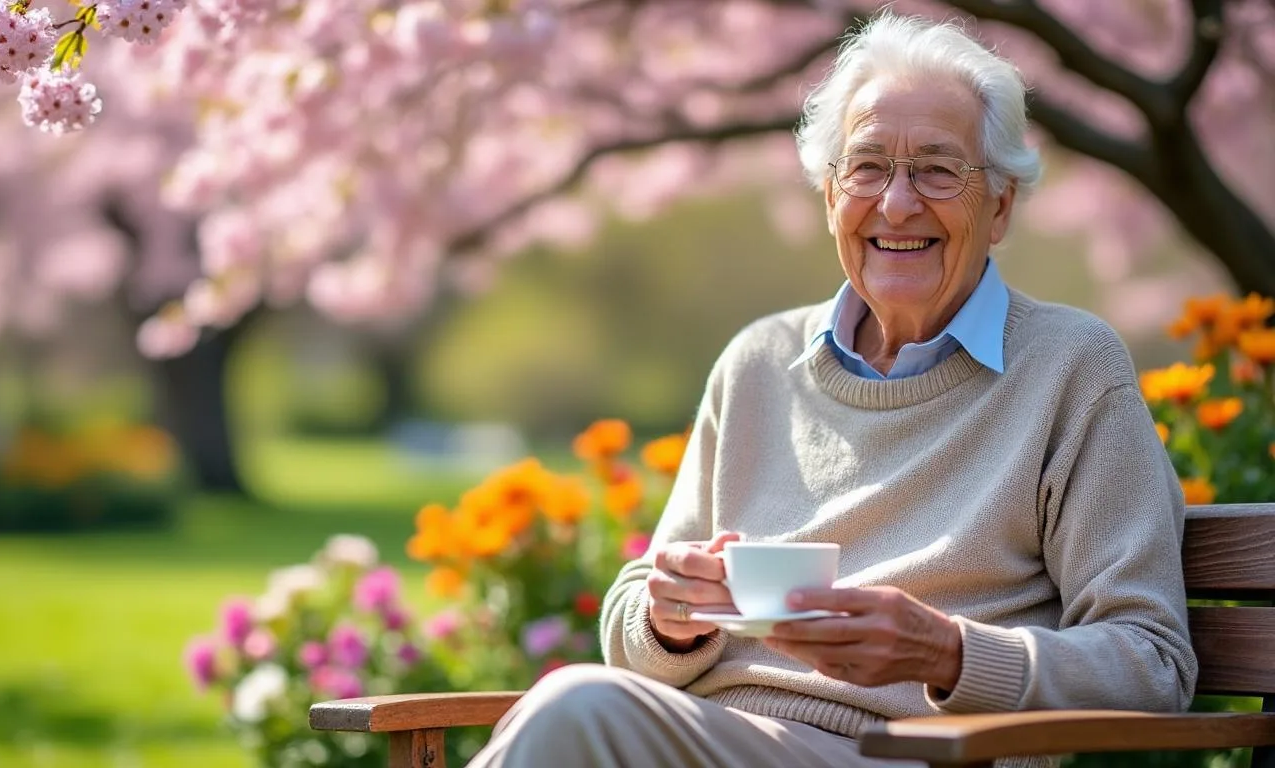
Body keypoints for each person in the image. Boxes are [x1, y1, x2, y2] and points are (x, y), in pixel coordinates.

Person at [467, 11, 1197, 768]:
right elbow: (638, 625)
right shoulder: (757, 362)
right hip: (721, 740)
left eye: (938, 170)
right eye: (868, 167)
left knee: (574, 708)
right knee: (581, 705)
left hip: (912, 757)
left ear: (1002, 204)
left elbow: (1152, 665)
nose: (898, 204)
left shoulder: (1071, 369)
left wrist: (948, 653)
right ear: (828, 198)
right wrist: (669, 615)